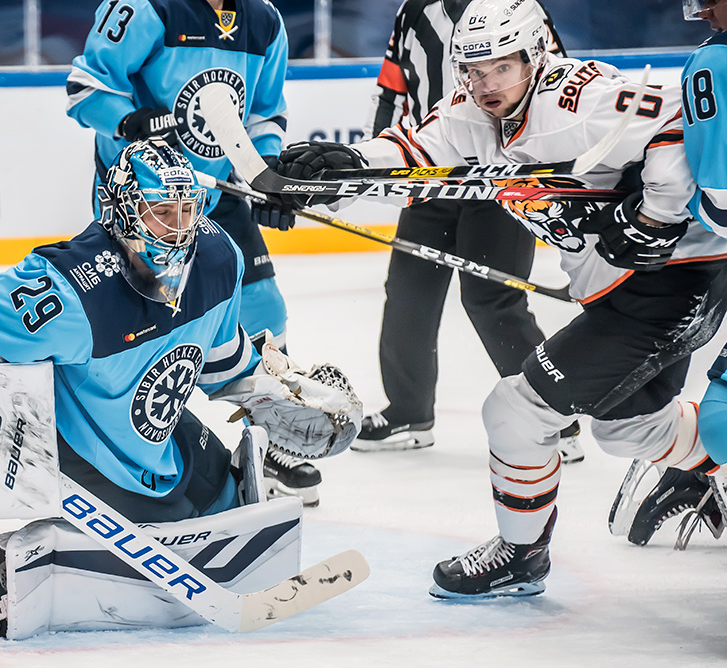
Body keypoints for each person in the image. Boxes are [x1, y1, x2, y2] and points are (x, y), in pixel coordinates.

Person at [275, 0, 727, 598]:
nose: (486, 83)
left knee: (516, 411)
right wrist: (340, 170)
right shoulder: (471, 109)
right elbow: (416, 159)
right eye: (473, 68)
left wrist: (655, 213)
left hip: (673, 281)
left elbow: (674, 121)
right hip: (631, 292)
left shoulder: (578, 100)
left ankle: (521, 554)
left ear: (534, 56)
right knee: (629, 430)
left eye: (502, 67)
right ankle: (706, 470)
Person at [0, 139, 361, 636]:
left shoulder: (218, 258)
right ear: (124, 213)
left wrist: (270, 391)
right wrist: (11, 425)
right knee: (168, 524)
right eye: (162, 212)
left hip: (161, 434)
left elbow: (219, 361)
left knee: (227, 503)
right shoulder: (72, 288)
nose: (179, 227)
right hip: (87, 450)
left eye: (188, 210)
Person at [66, 0, 324, 506]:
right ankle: (116, 441)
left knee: (265, 307)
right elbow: (84, 89)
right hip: (145, 198)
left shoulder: (264, 20)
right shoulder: (145, 7)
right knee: (140, 320)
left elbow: (265, 113)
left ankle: (275, 437)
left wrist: (265, 172)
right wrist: (130, 119)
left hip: (218, 192)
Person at [355, 0, 584, 464]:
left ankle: (553, 415)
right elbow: (393, 85)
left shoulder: (517, 7)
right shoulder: (414, 9)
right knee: (407, 293)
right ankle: (408, 411)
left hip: (500, 176)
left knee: (491, 297)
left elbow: (553, 77)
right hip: (428, 171)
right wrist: (376, 161)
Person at [612, 0, 727, 549]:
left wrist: (654, 219)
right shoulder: (714, 59)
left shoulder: (713, 62)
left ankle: (692, 472)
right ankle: (690, 472)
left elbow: (720, 203)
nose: (702, 9)